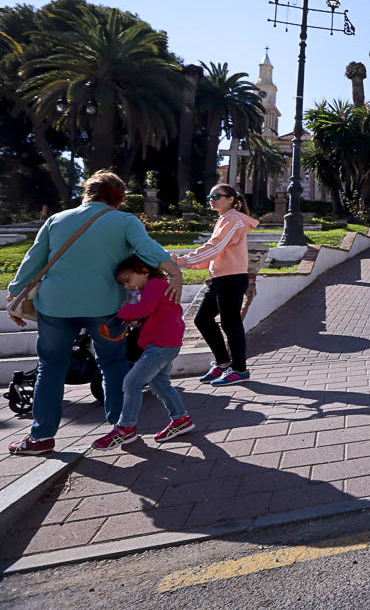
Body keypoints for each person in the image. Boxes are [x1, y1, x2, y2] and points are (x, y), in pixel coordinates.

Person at [5, 170, 182, 456]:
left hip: (56, 305)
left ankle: (41, 438)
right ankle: (120, 427)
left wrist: (14, 294)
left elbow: (33, 259)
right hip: (106, 307)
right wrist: (173, 271)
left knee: (50, 367)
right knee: (113, 363)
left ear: (86, 193)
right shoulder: (125, 221)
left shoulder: (57, 220)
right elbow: (147, 249)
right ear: (119, 197)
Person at [92, 256, 194, 449]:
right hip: (164, 343)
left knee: (132, 382)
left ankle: (125, 429)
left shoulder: (155, 284)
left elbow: (146, 308)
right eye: (123, 284)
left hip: (161, 345)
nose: (127, 286)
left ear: (143, 271)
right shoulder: (152, 287)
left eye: (127, 280)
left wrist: (121, 313)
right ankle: (181, 420)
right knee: (160, 384)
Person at [174, 184, 259, 386]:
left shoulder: (233, 219)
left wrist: (183, 261)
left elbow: (215, 247)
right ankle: (223, 364)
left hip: (231, 278)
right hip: (221, 278)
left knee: (231, 324)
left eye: (216, 196)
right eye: (209, 196)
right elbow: (217, 253)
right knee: (202, 319)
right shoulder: (225, 219)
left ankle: (239, 369)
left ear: (231, 199)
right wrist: (190, 264)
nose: (211, 199)